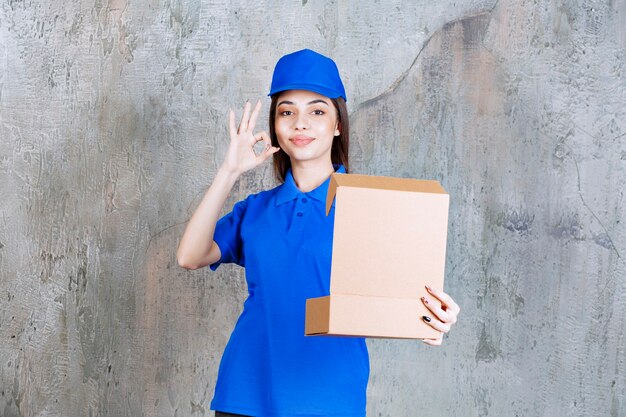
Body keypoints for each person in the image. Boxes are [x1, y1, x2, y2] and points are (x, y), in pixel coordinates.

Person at [177, 49, 460, 417]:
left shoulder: (369, 208)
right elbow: (189, 256)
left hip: (329, 397)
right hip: (245, 393)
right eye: (287, 111)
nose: (300, 123)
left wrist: (435, 317)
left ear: (338, 123)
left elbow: (406, 297)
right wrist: (229, 172)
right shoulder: (256, 210)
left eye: (317, 111)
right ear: (275, 124)